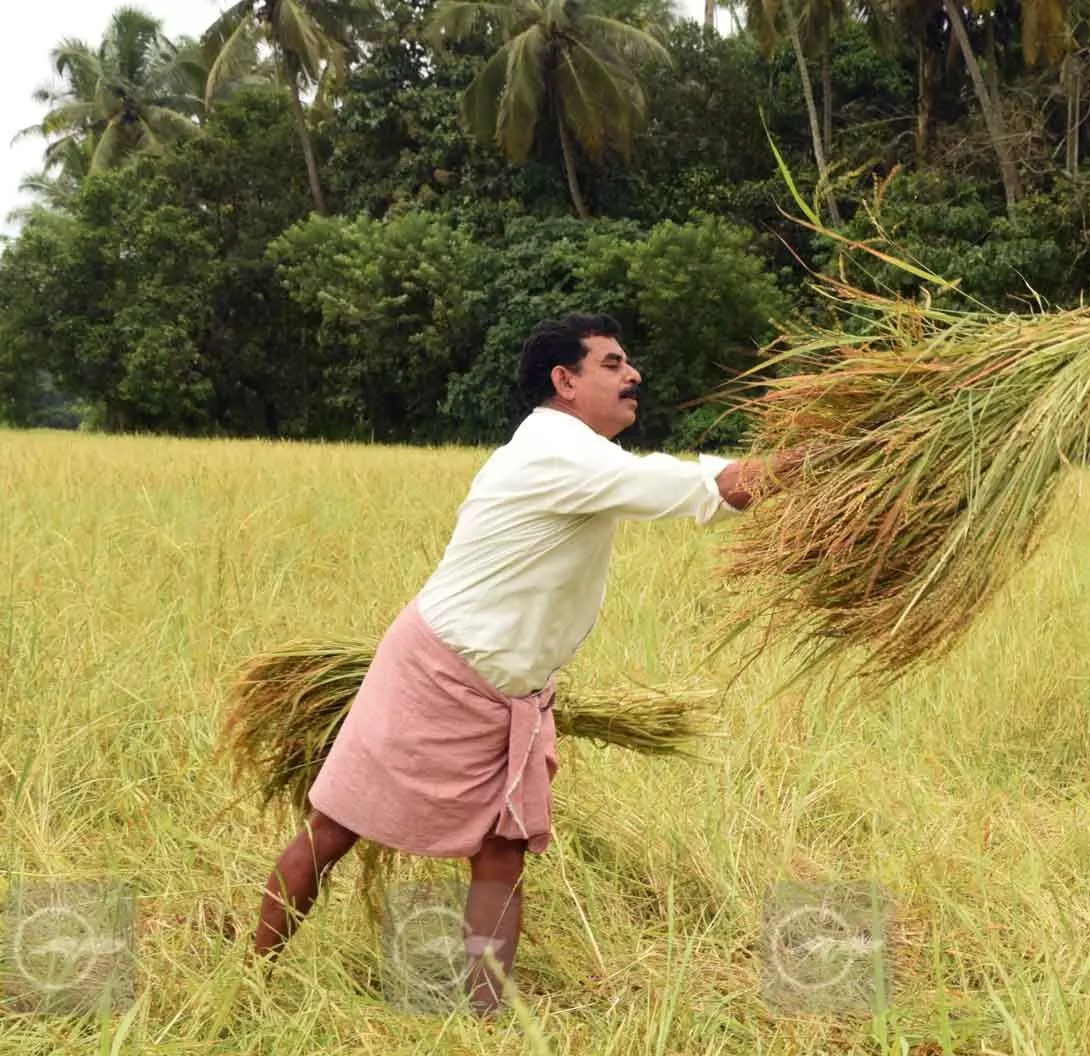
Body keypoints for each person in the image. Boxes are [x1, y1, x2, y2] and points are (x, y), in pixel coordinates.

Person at [251, 313, 798, 1013]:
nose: (633, 376)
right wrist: (805, 468)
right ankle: (250, 974)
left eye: (628, 363)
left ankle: (486, 1019)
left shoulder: (580, 454)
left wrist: (787, 470)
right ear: (564, 381)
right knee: (335, 827)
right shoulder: (555, 453)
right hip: (435, 675)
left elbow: (685, 481)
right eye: (612, 364)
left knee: (502, 853)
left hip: (511, 693)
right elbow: (684, 488)